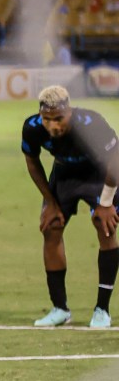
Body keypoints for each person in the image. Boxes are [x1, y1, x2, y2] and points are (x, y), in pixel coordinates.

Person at [23, 86, 119, 328]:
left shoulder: (91, 124)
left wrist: (106, 203)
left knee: (105, 228)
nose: (53, 125)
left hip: (99, 174)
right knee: (51, 227)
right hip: (65, 175)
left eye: (59, 119)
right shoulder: (32, 127)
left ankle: (102, 310)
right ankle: (60, 309)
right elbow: (32, 162)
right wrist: (51, 203)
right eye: (47, 119)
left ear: (70, 111)